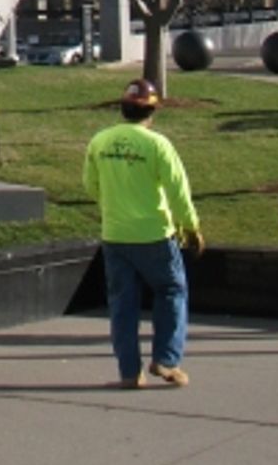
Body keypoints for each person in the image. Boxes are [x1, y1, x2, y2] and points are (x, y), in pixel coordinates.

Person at [83, 77, 203, 389]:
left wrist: (114, 204)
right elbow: (179, 191)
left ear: (122, 109)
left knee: (123, 304)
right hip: (154, 235)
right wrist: (190, 227)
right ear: (152, 112)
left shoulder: (100, 141)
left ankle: (129, 372)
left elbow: (89, 184)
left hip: (115, 235)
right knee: (172, 291)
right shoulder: (157, 145)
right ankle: (166, 359)